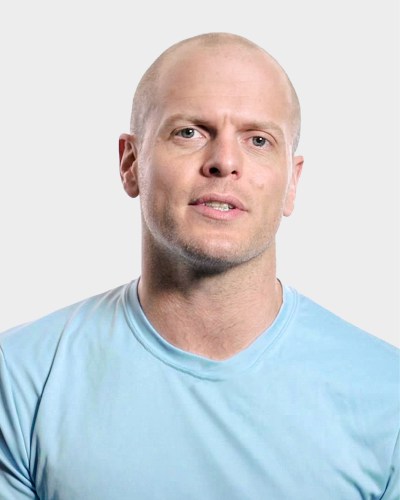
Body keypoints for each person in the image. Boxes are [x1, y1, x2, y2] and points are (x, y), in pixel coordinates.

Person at [0, 32, 398, 500]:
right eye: (189, 132)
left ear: (293, 182)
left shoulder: (387, 394)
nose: (225, 162)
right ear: (130, 163)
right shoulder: (20, 378)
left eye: (258, 139)